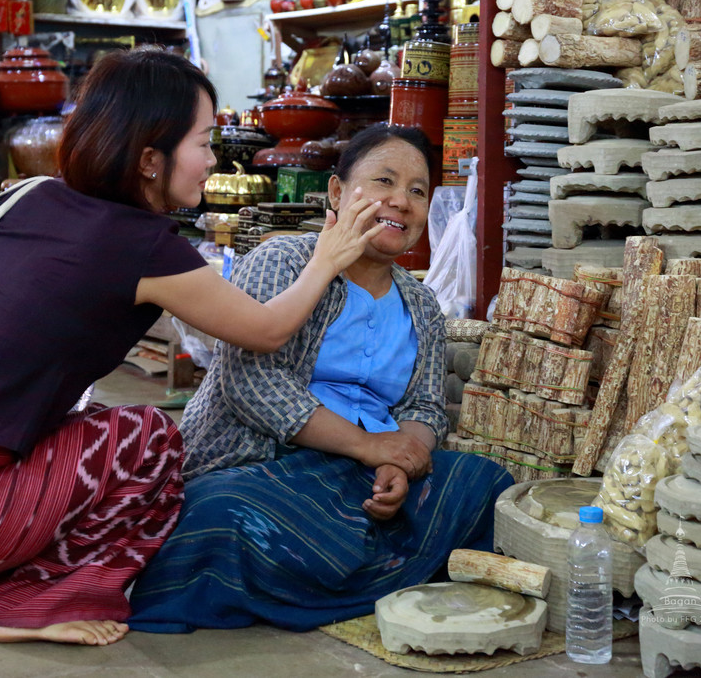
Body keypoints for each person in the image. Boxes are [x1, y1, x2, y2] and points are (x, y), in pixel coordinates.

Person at [0, 49, 386, 647]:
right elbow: (264, 330)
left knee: (90, 424)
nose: (213, 161)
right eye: (205, 143)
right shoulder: (143, 246)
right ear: (151, 159)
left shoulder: (38, 198)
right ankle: (22, 600)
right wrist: (327, 256)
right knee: (151, 441)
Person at [125, 125, 515, 633]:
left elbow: (424, 407)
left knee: (485, 483)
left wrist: (404, 458)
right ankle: (380, 573)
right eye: (383, 182)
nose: (400, 201)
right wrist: (364, 446)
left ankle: (337, 573)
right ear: (336, 192)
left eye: (417, 192)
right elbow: (249, 383)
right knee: (219, 514)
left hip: (364, 475)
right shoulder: (282, 261)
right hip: (270, 468)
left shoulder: (420, 303)